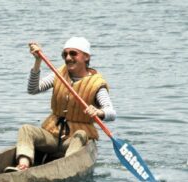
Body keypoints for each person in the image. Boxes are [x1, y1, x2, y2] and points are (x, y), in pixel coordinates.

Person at [6, 37, 116, 172]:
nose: (68, 58)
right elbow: (33, 89)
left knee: (81, 134)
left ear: (86, 57)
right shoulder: (59, 74)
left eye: (73, 53)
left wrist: (99, 112)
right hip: (53, 135)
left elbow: (111, 113)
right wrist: (37, 62)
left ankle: (66, 168)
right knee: (26, 129)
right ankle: (23, 165)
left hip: (74, 140)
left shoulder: (97, 84)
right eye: (65, 54)